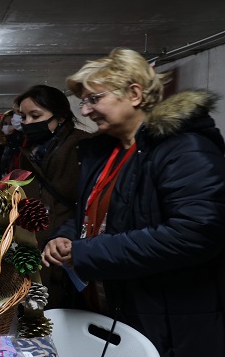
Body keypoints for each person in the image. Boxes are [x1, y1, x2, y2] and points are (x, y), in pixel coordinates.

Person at [42, 48, 225, 357]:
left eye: (93, 99)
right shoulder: (105, 152)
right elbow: (94, 213)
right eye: (83, 102)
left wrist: (87, 252)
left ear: (135, 94)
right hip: (115, 309)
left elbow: (195, 234)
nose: (85, 112)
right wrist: (65, 236)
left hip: (166, 317)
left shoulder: (183, 148)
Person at [16, 84, 91, 308]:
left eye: (35, 115)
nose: (27, 122)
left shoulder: (82, 146)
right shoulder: (29, 150)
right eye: (24, 116)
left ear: (59, 117)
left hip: (64, 248)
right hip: (35, 248)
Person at [0, 106, 24, 175]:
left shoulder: (20, 142)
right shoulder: (2, 144)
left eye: (11, 124)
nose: (7, 126)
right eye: (5, 124)